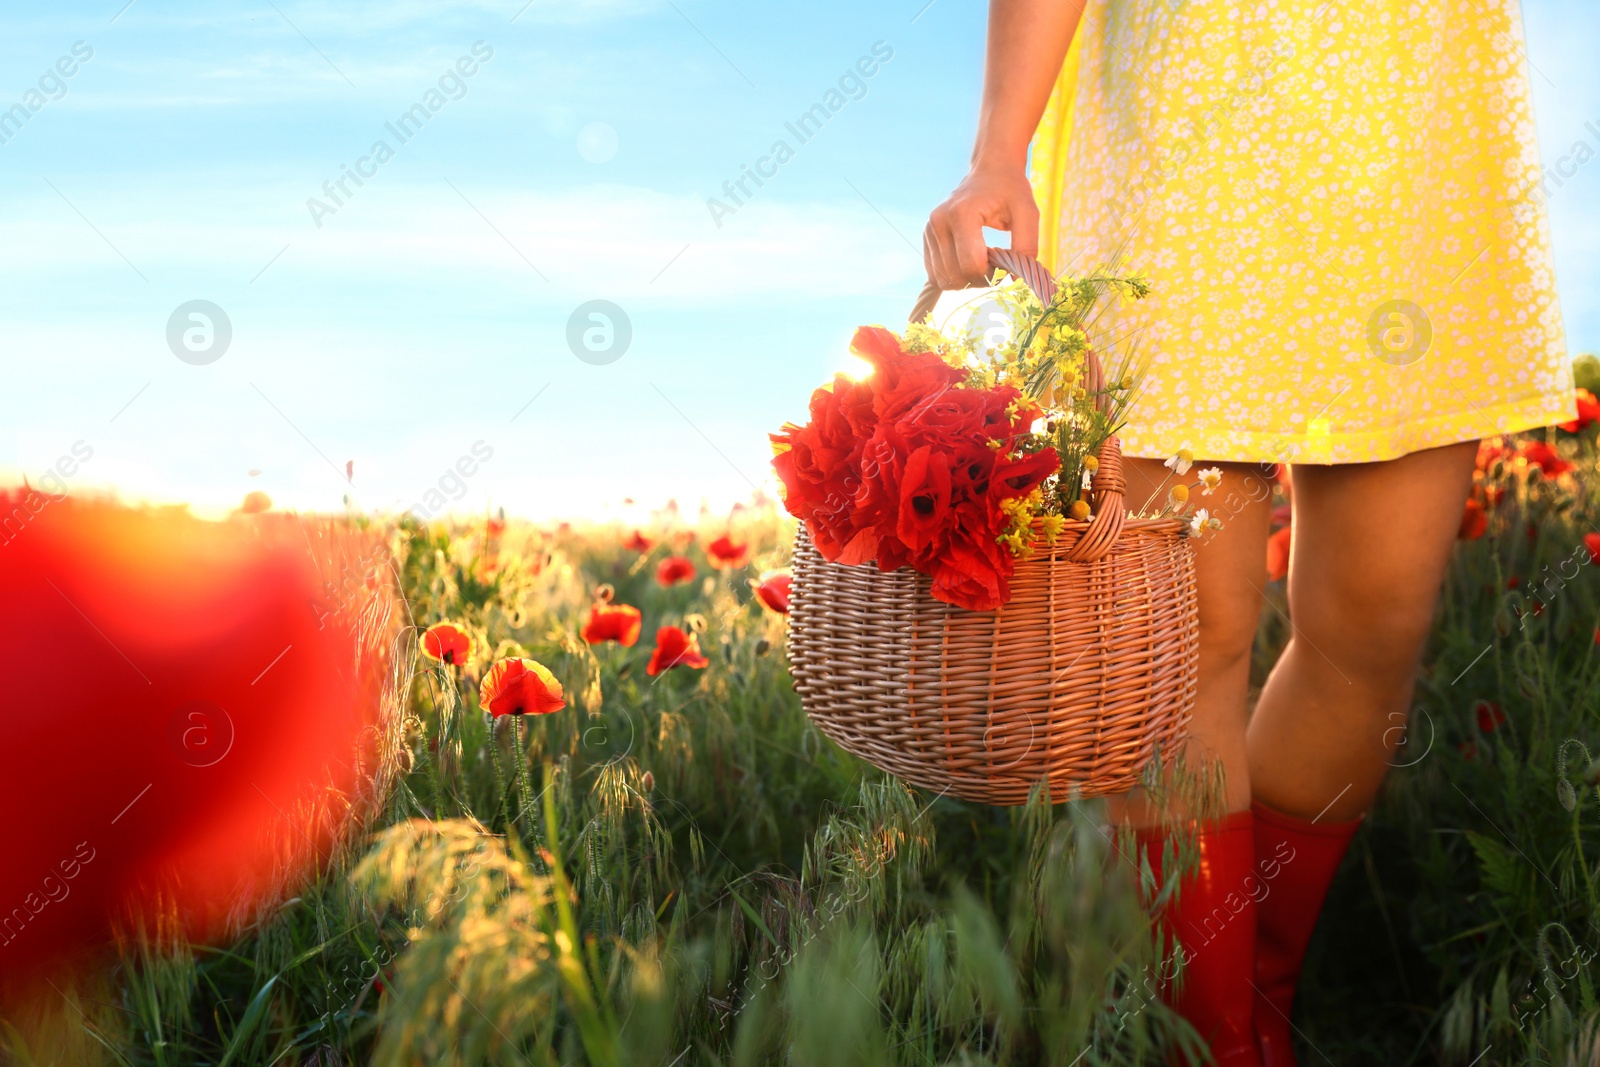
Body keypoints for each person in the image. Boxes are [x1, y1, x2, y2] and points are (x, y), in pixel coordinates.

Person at [923, 2, 1573, 1063]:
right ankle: (1216, 1040)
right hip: (1186, 124)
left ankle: (1251, 991)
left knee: (1373, 627)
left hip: (1412, 136)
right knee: (1187, 644)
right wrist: (998, 150)